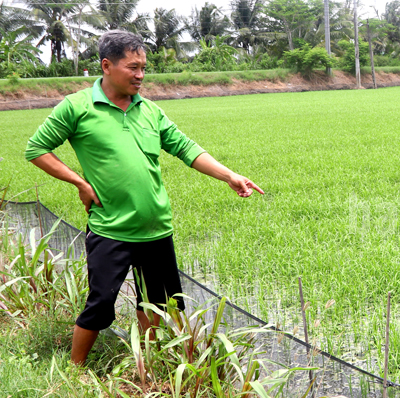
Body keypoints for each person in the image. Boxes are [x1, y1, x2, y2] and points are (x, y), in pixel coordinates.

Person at [24, 30, 263, 365]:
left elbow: (185, 147)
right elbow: (36, 149)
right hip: (111, 228)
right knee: (100, 304)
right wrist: (79, 182)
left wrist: (230, 175)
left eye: (143, 67)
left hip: (155, 227)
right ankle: (74, 370)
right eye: (132, 67)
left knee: (156, 304)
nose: (140, 75)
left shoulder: (150, 110)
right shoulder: (77, 107)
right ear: (107, 66)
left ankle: (146, 366)